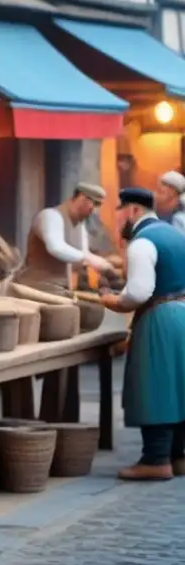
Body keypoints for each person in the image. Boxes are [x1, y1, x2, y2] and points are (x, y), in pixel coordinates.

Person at [100, 187, 185, 480]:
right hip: (182, 312)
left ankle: (156, 459)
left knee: (156, 386)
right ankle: (179, 456)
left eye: (119, 212)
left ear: (133, 211)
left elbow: (138, 292)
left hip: (160, 317)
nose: (117, 220)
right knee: (179, 387)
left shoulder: (142, 242)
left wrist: (113, 301)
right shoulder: (174, 233)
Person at [19, 183, 114, 286]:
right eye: (95, 204)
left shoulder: (79, 225)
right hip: (35, 287)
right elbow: (56, 248)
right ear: (82, 199)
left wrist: (103, 264)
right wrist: (89, 260)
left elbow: (82, 253)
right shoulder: (50, 216)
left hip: (60, 287)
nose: (95, 210)